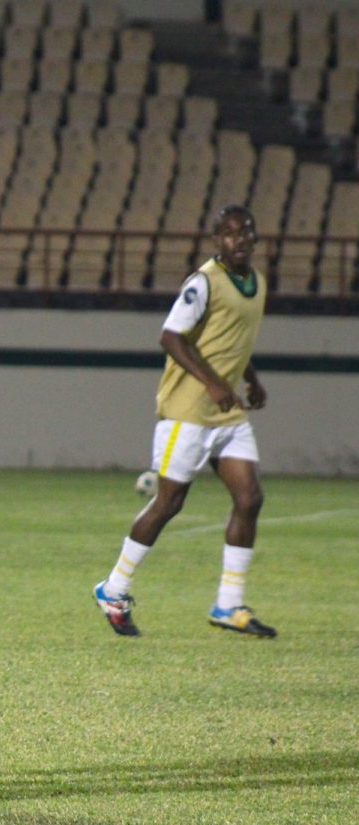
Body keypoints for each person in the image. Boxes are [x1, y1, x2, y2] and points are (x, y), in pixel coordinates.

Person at [92, 204, 275, 638]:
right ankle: (114, 588)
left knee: (250, 498)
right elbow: (171, 336)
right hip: (187, 411)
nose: (239, 239)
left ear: (255, 238)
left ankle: (229, 605)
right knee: (169, 503)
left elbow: (233, 342)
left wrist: (251, 379)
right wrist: (212, 384)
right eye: (229, 233)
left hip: (227, 412)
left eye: (245, 232)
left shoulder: (257, 284)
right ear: (216, 240)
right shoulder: (203, 283)